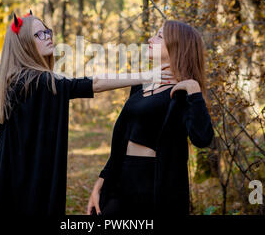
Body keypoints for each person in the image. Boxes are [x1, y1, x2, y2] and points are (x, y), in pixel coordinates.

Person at [0, 11, 172, 216]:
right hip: (28, 184)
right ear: (24, 44)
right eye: (39, 35)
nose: (47, 37)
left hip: (13, 180)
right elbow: (95, 84)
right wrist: (145, 76)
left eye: (47, 32)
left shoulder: (14, 81)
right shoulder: (41, 82)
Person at [87, 20, 214, 217]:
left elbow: (203, 138)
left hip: (154, 186)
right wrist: (100, 183)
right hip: (121, 179)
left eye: (159, 36)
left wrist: (193, 89)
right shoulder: (142, 85)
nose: (150, 39)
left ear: (178, 46)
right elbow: (122, 139)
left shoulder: (183, 92)